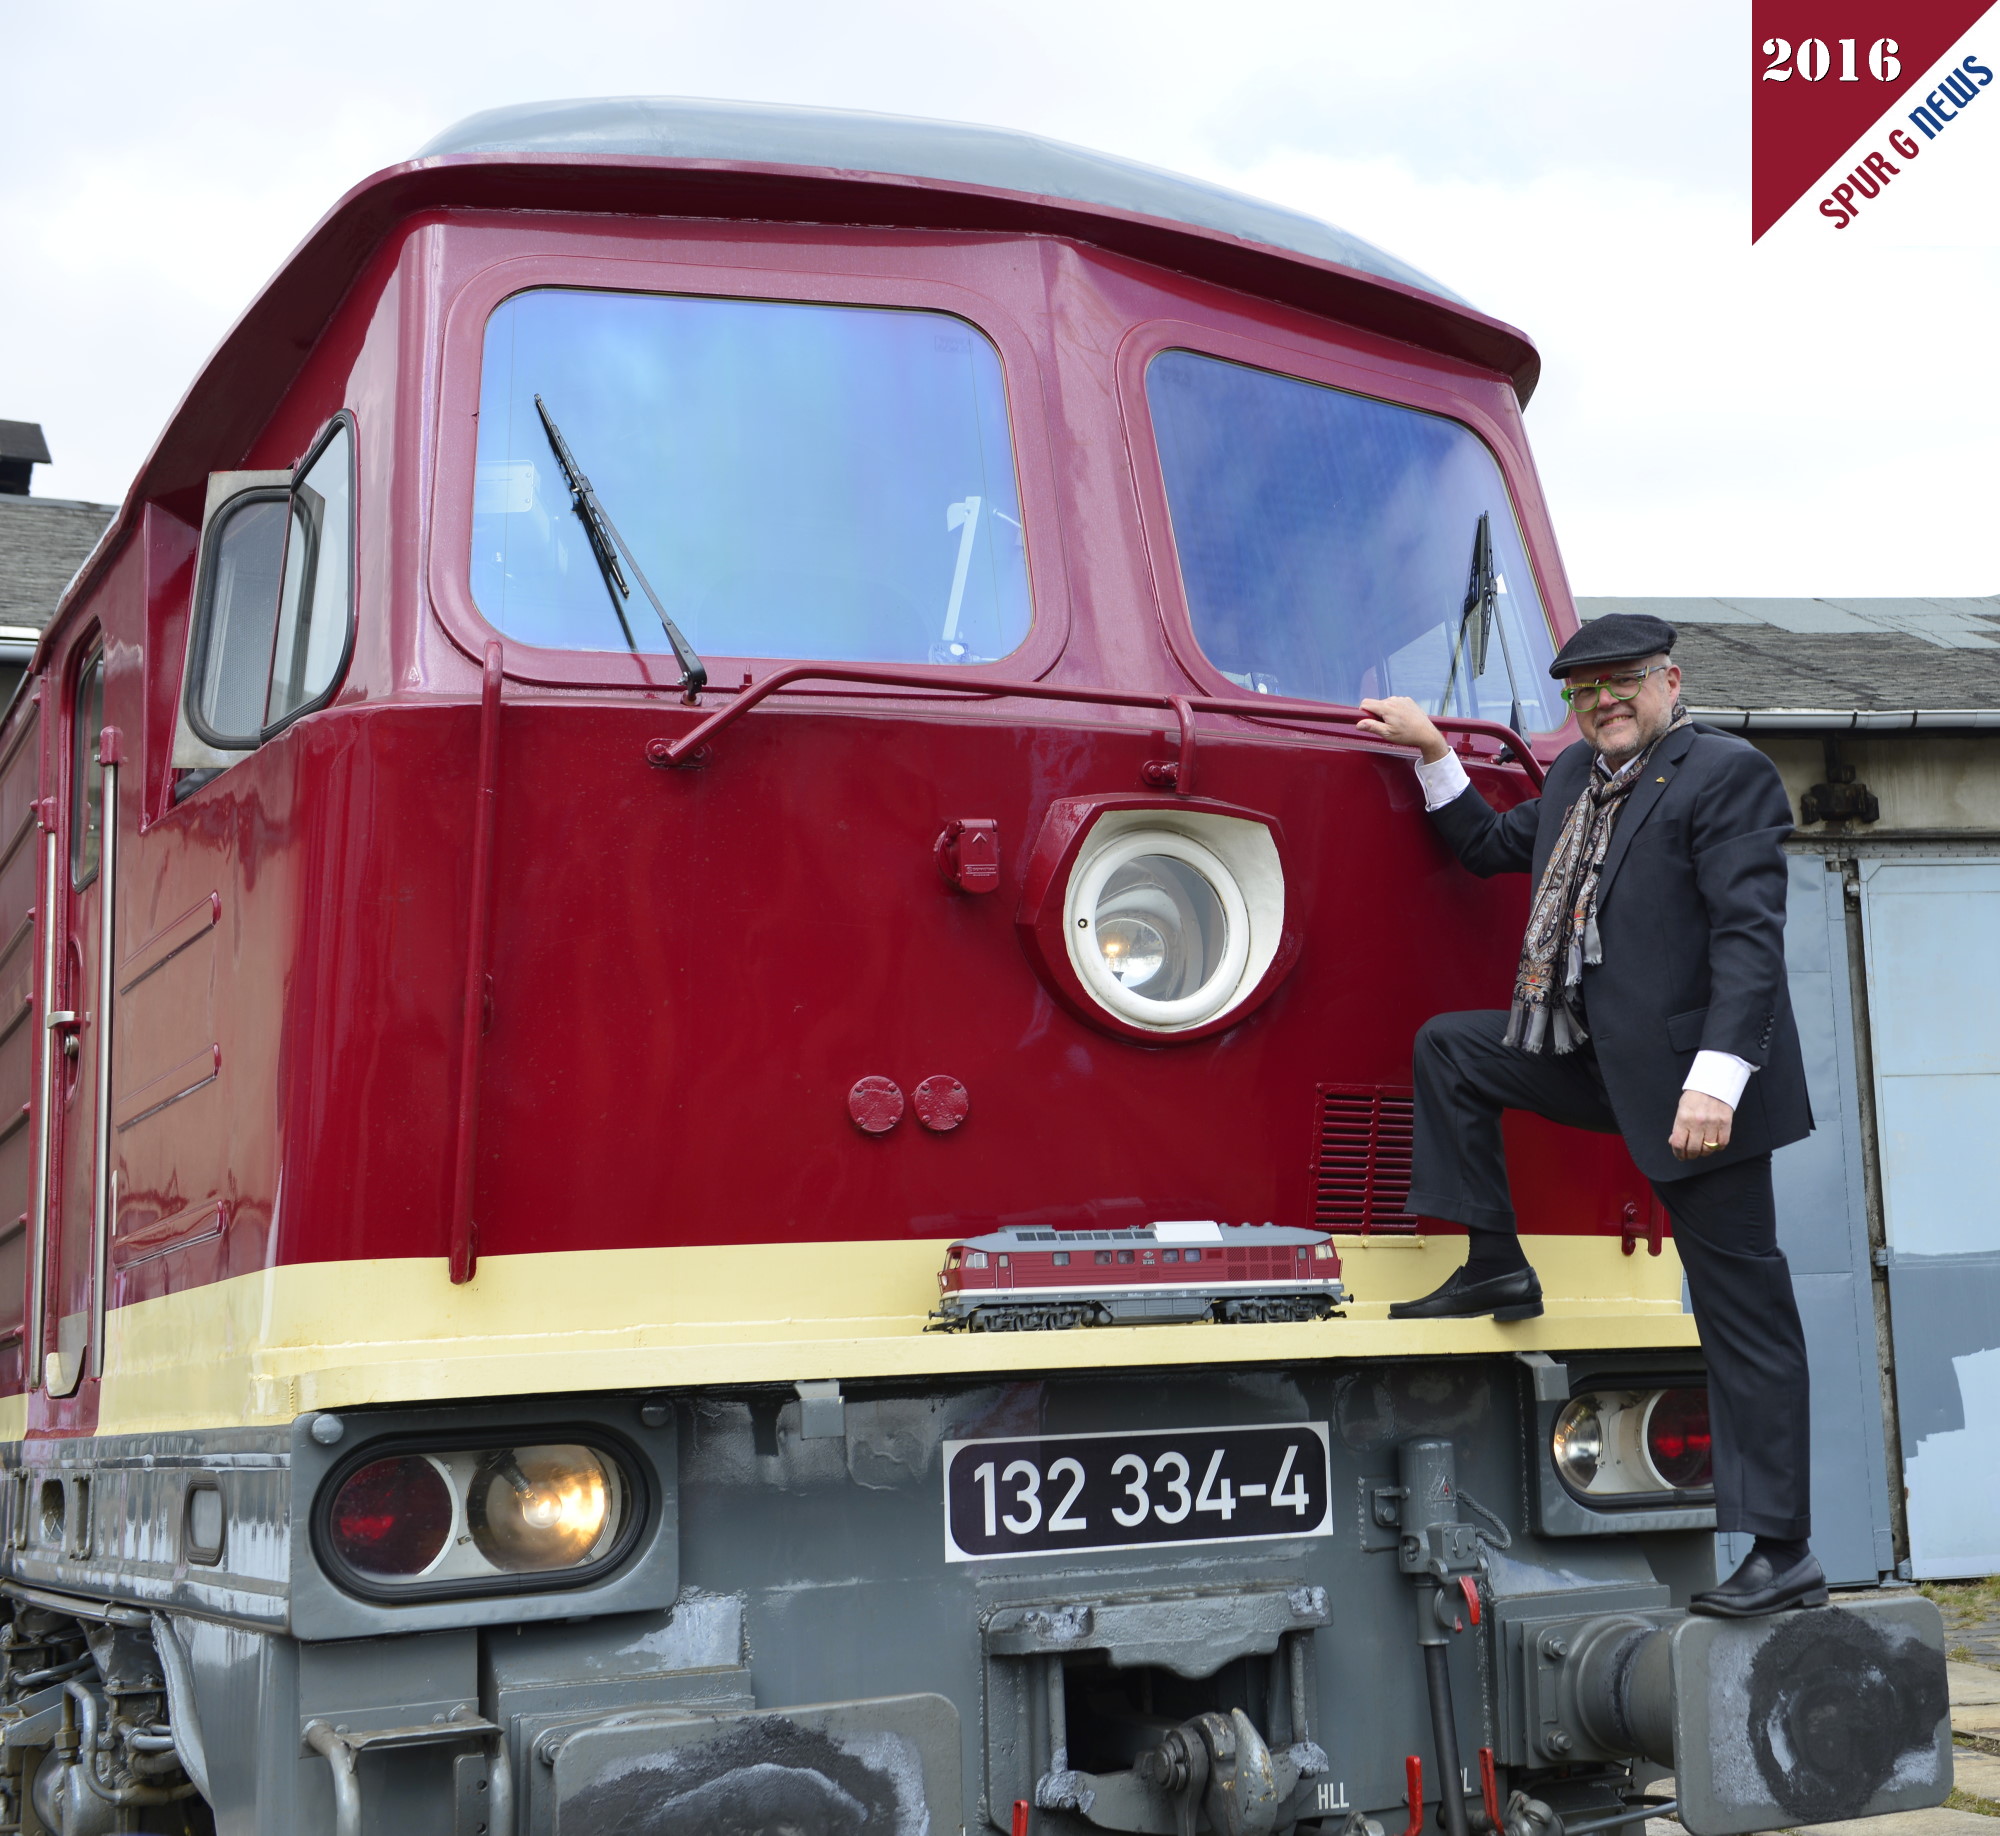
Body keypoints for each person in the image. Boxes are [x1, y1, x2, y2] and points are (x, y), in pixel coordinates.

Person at [1358, 612, 1823, 1618]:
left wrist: (1716, 1080)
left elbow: (1748, 940)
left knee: (1746, 1321)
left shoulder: (1721, 773)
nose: (1601, 701)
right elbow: (1485, 846)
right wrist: (1435, 752)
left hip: (1694, 1093)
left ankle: (1782, 1553)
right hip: (1596, 1062)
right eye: (1582, 690)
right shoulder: (1572, 781)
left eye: (1620, 683)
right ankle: (1493, 1260)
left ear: (1668, 683)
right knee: (1453, 1048)